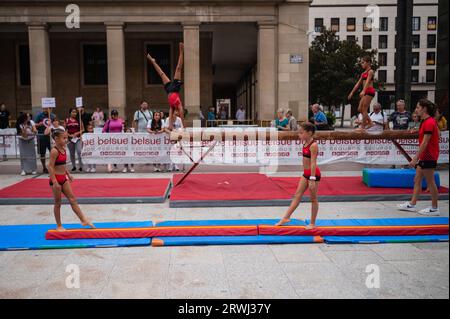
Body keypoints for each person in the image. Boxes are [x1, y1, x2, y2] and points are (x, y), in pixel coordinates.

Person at [398, 99, 441, 216]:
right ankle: (412, 204)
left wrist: (415, 158)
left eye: (418, 107)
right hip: (425, 156)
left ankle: (434, 208)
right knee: (417, 179)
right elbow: (433, 133)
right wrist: (416, 130)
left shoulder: (429, 122)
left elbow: (425, 142)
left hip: (428, 156)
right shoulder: (425, 121)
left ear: (424, 109)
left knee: (430, 182)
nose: (416, 110)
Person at [47, 129, 95, 231]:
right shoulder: (54, 151)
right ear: (56, 139)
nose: (66, 140)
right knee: (58, 203)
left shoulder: (64, 149)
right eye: (64, 138)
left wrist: (68, 174)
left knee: (72, 199)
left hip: (63, 178)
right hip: (55, 179)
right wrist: (55, 182)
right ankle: (59, 225)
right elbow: (50, 167)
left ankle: (83, 219)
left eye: (66, 138)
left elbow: (62, 165)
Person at [276, 122, 320, 229]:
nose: (299, 135)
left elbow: (313, 162)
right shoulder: (305, 143)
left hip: (313, 175)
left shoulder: (313, 145)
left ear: (309, 133)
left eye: (301, 133)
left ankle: (312, 223)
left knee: (313, 199)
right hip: (305, 174)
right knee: (297, 195)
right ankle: (286, 217)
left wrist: (313, 179)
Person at [146, 42, 185, 129]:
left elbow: (170, 115)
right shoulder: (179, 105)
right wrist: (184, 127)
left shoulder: (171, 107)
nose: (177, 113)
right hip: (175, 88)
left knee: (161, 73)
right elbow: (182, 115)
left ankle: (153, 61)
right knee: (178, 68)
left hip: (168, 90)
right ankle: (181, 52)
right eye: (177, 112)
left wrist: (170, 125)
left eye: (176, 113)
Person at [348, 56, 375, 130]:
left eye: (363, 62)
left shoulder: (370, 71)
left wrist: (363, 91)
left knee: (364, 109)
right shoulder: (363, 73)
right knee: (360, 109)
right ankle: (370, 122)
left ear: (368, 63)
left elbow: (368, 81)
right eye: (361, 63)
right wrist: (352, 92)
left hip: (369, 91)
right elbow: (358, 83)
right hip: (365, 91)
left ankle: (363, 126)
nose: (361, 64)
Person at [35, 108, 56, 173]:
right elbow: (34, 125)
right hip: (42, 137)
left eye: (47, 109)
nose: (45, 110)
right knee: (42, 153)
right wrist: (39, 124)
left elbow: (56, 124)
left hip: (50, 137)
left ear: (50, 109)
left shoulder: (52, 116)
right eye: (44, 108)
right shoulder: (39, 116)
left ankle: (53, 167)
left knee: (53, 152)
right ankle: (44, 167)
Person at [65, 108, 84, 172]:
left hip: (78, 138)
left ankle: (81, 166)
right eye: (73, 112)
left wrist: (77, 133)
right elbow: (64, 130)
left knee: (79, 151)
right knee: (72, 153)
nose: (74, 113)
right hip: (70, 139)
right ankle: (74, 166)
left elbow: (83, 129)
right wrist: (69, 135)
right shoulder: (67, 120)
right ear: (70, 113)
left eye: (75, 112)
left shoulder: (79, 120)